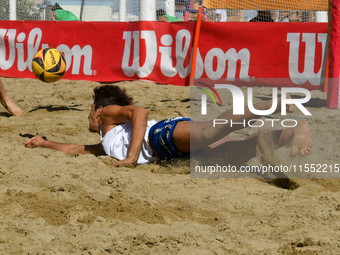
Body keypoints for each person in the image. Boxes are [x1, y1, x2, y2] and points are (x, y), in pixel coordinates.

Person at [25, 84, 312, 167]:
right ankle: (290, 133)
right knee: (237, 152)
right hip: (169, 152)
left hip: (161, 135)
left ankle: (279, 105)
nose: (88, 117)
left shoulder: (110, 115)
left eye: (90, 111)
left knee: (216, 128)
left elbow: (140, 112)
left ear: (98, 109)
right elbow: (77, 148)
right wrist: (44, 143)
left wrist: (131, 156)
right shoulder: (106, 141)